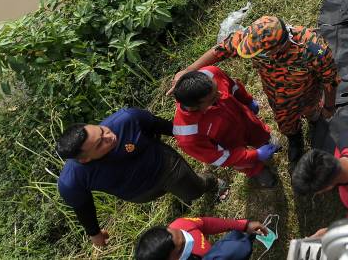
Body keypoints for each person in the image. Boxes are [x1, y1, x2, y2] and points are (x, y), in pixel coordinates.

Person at [171, 16, 341, 166]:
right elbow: (218, 51)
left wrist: (329, 107)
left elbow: (330, 81)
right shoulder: (251, 39)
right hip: (278, 98)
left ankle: (314, 122)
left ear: (277, 48)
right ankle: (295, 139)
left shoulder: (312, 49)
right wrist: (189, 70)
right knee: (286, 123)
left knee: (312, 113)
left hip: (308, 93)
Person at [56, 108, 219, 248]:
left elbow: (165, 127)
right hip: (138, 192)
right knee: (182, 190)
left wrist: (205, 143)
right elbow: (83, 208)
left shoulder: (128, 119)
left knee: (193, 191)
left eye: (101, 130)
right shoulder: (72, 181)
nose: (109, 136)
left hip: (164, 165)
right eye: (100, 144)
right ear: (84, 159)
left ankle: (211, 182)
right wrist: (94, 233)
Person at [172, 67, 278, 187]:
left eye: (217, 89)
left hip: (244, 119)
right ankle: (257, 170)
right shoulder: (188, 136)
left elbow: (233, 87)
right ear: (193, 107)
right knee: (244, 162)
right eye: (212, 99)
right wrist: (255, 155)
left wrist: (247, 100)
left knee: (258, 132)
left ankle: (264, 142)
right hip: (230, 145)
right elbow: (220, 157)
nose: (220, 94)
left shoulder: (211, 73)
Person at [134, 217, 268, 260]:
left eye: (182, 234)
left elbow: (208, 223)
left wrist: (243, 225)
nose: (189, 239)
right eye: (182, 248)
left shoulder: (181, 224)